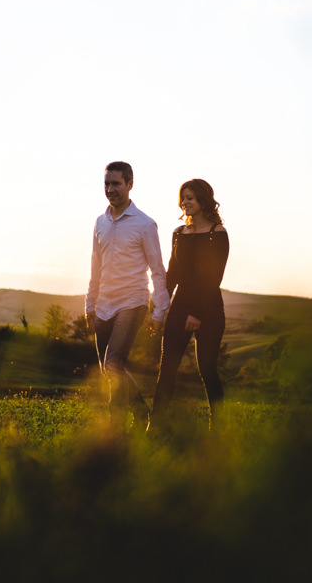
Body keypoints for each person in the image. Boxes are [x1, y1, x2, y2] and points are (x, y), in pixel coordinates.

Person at [85, 161, 169, 427]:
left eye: (116, 184)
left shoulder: (145, 225)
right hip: (103, 305)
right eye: (107, 184)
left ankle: (115, 426)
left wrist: (159, 310)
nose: (110, 189)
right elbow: (94, 266)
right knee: (110, 369)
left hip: (132, 302)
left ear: (130, 185)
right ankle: (140, 410)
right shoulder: (100, 222)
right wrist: (89, 304)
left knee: (113, 364)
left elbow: (157, 270)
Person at [151, 178, 229, 428]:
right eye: (183, 197)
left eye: (190, 197)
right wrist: (160, 308)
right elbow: (173, 274)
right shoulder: (178, 234)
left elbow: (213, 276)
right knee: (167, 369)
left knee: (207, 369)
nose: (185, 202)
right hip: (180, 306)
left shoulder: (217, 234)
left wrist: (197, 313)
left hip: (209, 309)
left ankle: (219, 423)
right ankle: (157, 423)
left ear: (204, 200)